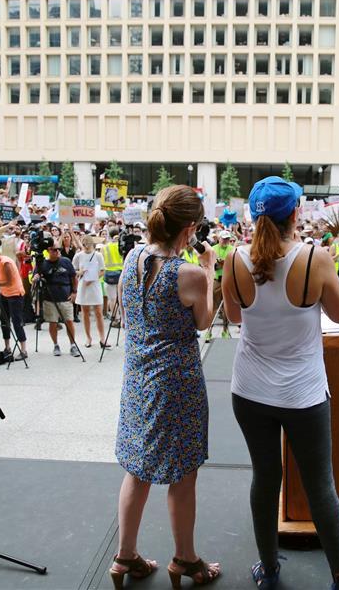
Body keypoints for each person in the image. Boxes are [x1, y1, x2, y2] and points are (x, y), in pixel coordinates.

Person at [221, 176, 339, 589]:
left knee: (264, 477)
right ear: (295, 213)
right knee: (320, 483)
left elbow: (234, 317)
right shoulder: (314, 258)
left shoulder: (234, 259)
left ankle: (269, 570)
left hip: (250, 390)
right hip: (302, 394)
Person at [110, 185, 221, 589]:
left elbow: (127, 311)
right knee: (183, 473)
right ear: (190, 228)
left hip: (138, 378)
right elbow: (204, 321)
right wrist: (209, 269)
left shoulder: (131, 258)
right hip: (176, 382)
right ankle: (185, 559)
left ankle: (125, 556)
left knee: (137, 470)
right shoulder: (186, 273)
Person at [35, 243, 80, 357]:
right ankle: (56, 345)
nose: (56, 251)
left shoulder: (66, 261)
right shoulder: (42, 263)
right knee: (53, 322)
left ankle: (73, 345)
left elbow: (74, 277)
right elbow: (35, 276)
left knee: (69, 321)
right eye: (53, 250)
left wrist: (74, 292)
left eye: (58, 249)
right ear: (48, 250)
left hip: (65, 296)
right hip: (49, 298)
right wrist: (36, 278)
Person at [0, 242, 28, 359]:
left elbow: (9, 282)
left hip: (15, 294)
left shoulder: (5, 262)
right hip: (4, 293)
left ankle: (23, 350)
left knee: (16, 321)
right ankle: (7, 347)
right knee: (4, 320)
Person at [72, 235, 108, 348]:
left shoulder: (98, 255)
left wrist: (93, 278)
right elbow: (73, 270)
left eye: (88, 244)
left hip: (94, 285)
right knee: (85, 312)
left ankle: (102, 338)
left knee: (98, 312)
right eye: (84, 244)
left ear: (92, 244)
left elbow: (102, 270)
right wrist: (80, 272)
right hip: (83, 285)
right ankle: (88, 337)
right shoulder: (78, 256)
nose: (86, 246)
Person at [207, 230, 235, 341]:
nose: (225, 241)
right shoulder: (213, 249)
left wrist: (226, 264)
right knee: (213, 306)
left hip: (227, 281)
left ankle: (225, 331)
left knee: (226, 307)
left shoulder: (232, 250)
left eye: (227, 238)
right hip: (217, 280)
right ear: (219, 239)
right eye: (223, 238)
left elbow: (234, 265)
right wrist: (217, 265)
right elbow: (208, 264)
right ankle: (209, 331)